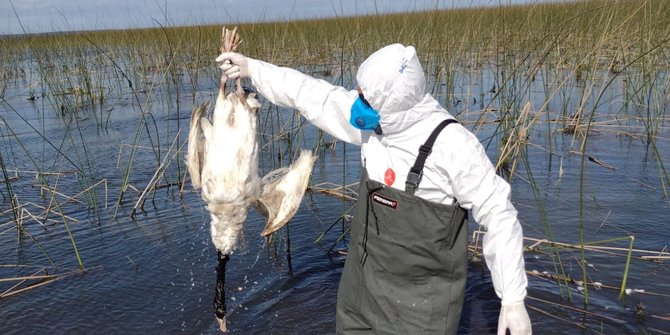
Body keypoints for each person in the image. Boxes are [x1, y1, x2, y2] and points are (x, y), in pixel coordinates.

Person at [216, 43, 532, 335]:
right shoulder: (373, 125)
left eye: (365, 97)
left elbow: (498, 214)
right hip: (360, 298)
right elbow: (312, 94)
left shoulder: (453, 146)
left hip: (421, 312)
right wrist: (252, 69)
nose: (357, 99)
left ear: (391, 105)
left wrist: (512, 299)